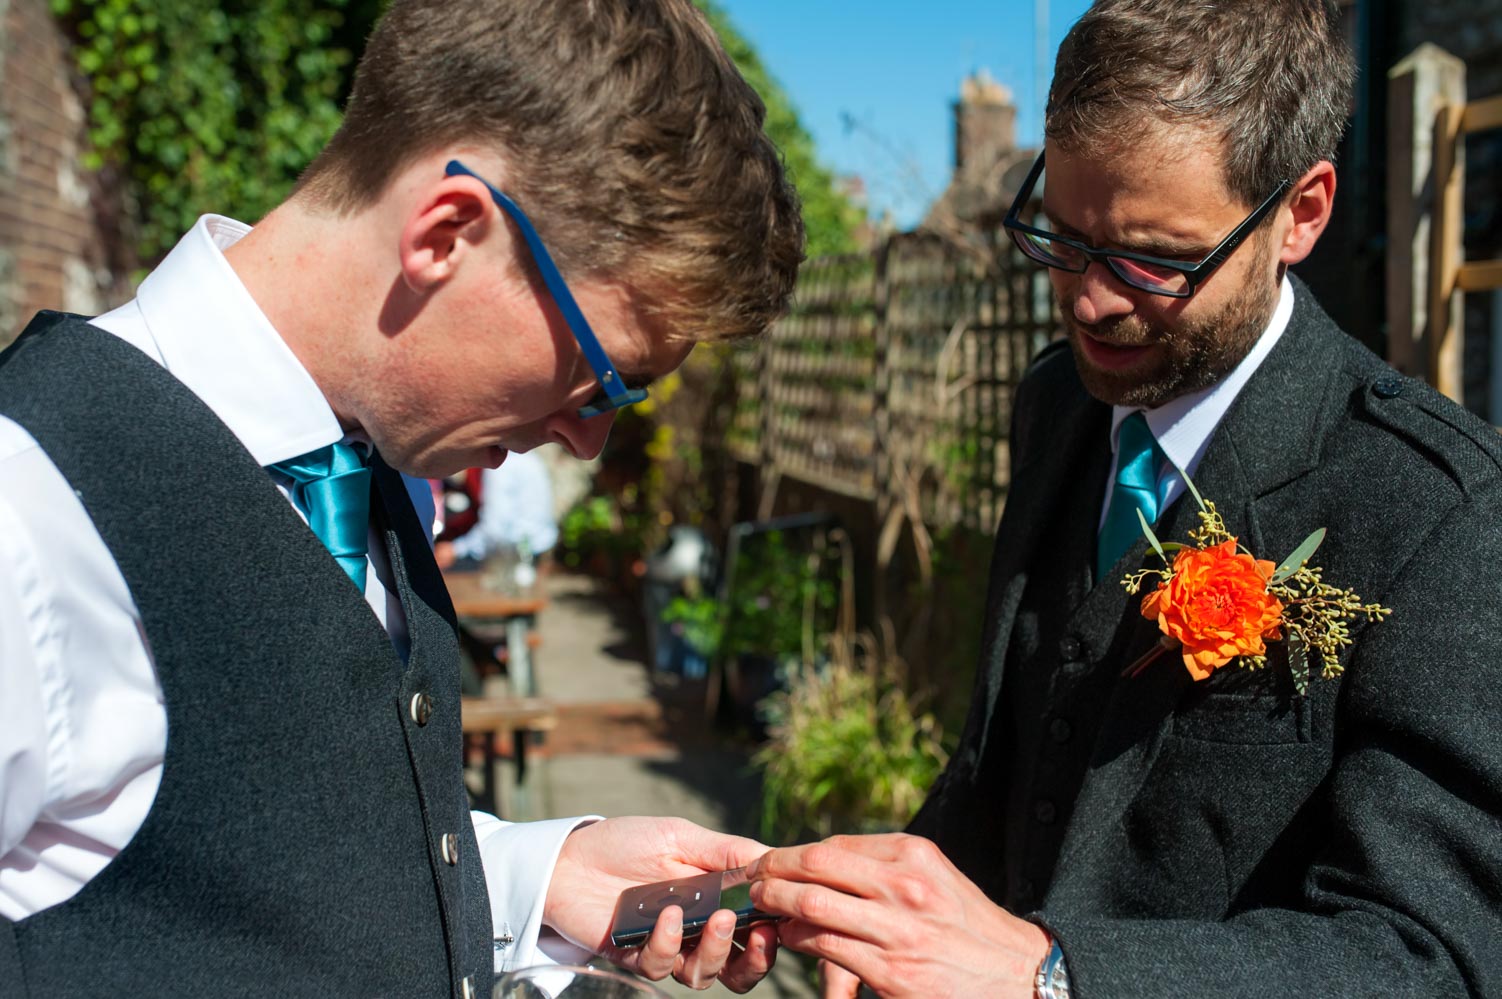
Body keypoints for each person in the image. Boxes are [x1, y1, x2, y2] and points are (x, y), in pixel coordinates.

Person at [0, 1, 802, 995]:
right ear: (448, 232)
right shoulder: (21, 512)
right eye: (603, 379)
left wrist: (534, 876)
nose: (589, 436)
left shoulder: (381, 478)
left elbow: (272, 868)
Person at [744, 1, 1502, 995]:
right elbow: (1011, 763)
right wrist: (871, 909)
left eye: (1152, 257)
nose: (1091, 300)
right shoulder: (1054, 402)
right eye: (1062, 235)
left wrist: (1055, 974)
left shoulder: (1432, 508)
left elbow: (1427, 957)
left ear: (1301, 214)